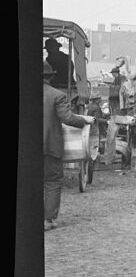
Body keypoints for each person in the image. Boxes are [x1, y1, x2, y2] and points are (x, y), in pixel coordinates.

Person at [43, 61, 95, 230]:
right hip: (49, 147)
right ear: (49, 77)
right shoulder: (56, 95)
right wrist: (84, 120)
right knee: (52, 181)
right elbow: (68, 119)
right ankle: (48, 220)